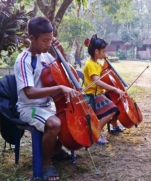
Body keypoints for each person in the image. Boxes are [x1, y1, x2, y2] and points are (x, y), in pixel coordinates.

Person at [14, 16, 79, 181]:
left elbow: (64, 72)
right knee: (54, 123)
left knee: (69, 119)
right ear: (32, 38)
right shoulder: (23, 60)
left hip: (47, 105)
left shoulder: (46, 56)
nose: (49, 44)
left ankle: (55, 150)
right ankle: (46, 163)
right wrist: (59, 88)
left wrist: (61, 53)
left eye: (51, 40)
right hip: (30, 107)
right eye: (45, 40)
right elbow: (29, 92)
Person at [83, 34, 126, 145]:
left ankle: (115, 126)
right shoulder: (90, 64)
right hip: (92, 95)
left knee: (115, 101)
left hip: (99, 93)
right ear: (96, 52)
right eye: (103, 51)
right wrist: (115, 89)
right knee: (112, 108)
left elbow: (102, 72)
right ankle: (96, 133)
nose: (105, 53)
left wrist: (105, 59)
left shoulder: (96, 63)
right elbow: (97, 81)